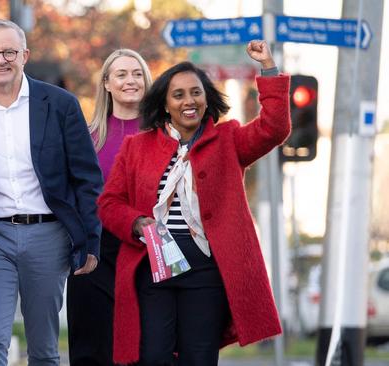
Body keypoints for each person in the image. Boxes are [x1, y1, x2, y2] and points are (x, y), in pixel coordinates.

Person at [97, 40, 288, 365]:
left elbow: (274, 128)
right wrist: (136, 222)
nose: (189, 101)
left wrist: (268, 69)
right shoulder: (136, 147)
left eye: (196, 92)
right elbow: (109, 203)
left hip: (206, 270)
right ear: (165, 104)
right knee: (154, 356)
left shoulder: (228, 140)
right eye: (179, 94)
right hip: (154, 266)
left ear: (206, 98)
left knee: (199, 356)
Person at [0, 19, 103, 366]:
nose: (1, 60)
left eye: (9, 51)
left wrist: (91, 240)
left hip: (48, 235)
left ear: (25, 55)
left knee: (44, 347)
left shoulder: (61, 104)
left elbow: (86, 177)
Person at [66, 48, 152, 366]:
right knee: (92, 348)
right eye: (121, 74)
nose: (130, 80)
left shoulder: (165, 137)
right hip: (95, 249)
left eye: (137, 73)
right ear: (106, 83)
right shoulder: (86, 139)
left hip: (147, 249)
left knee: (144, 349)